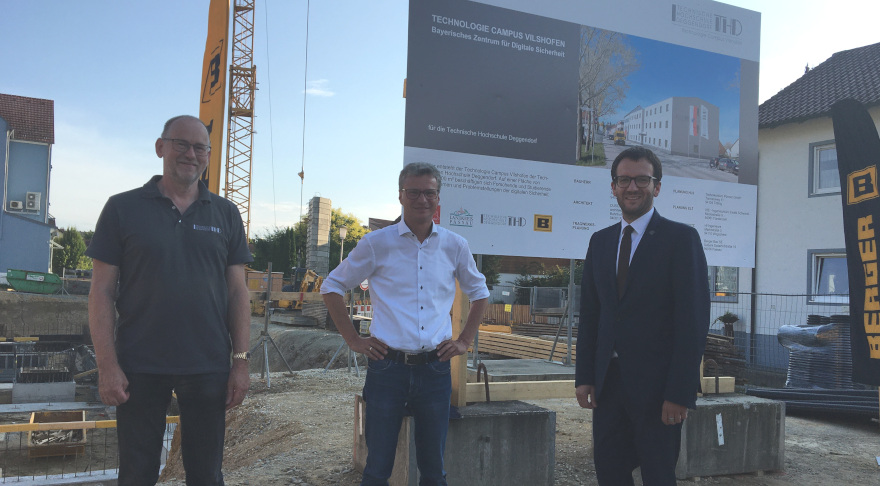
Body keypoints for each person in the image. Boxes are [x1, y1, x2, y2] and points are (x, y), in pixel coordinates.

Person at [87, 115, 253, 485]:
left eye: (199, 147)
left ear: (208, 155)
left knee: (206, 473)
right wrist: (106, 366)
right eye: (181, 144)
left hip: (207, 364)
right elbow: (100, 291)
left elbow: (239, 292)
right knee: (137, 472)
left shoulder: (226, 214)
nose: (190, 154)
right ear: (161, 147)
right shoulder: (122, 208)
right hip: (139, 365)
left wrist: (240, 362)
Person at [321, 162, 489, 486]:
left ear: (438, 198)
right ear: (400, 195)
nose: (421, 199)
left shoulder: (455, 245)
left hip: (435, 369)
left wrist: (464, 341)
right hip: (388, 369)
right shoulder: (377, 243)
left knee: (434, 471)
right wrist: (354, 340)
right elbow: (331, 287)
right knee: (377, 469)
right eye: (414, 192)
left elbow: (480, 293)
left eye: (429, 192)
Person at [575, 146, 710, 485]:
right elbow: (591, 314)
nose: (632, 187)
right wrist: (585, 375)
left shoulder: (681, 239)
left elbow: (692, 321)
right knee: (610, 472)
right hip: (609, 386)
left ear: (657, 186)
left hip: (658, 390)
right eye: (624, 180)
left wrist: (680, 392)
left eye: (641, 180)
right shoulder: (600, 242)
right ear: (613, 186)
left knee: (658, 475)